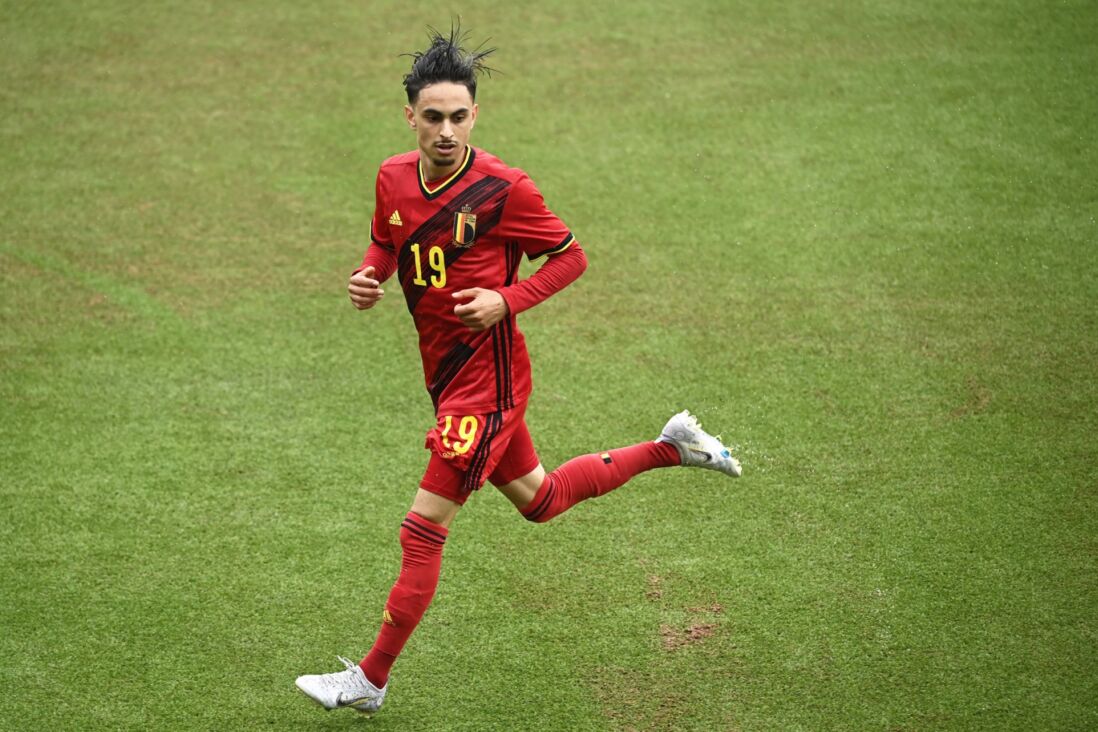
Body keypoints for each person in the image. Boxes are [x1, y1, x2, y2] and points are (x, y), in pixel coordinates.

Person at [295, 26, 742, 716]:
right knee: (541, 500)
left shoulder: (505, 189)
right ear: (409, 115)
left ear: (476, 114)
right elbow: (388, 236)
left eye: (459, 116)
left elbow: (570, 257)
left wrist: (508, 298)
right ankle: (670, 447)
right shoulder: (390, 176)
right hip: (447, 376)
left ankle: (371, 679)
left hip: (488, 382)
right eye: (433, 117)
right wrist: (368, 275)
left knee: (422, 528)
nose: (447, 130)